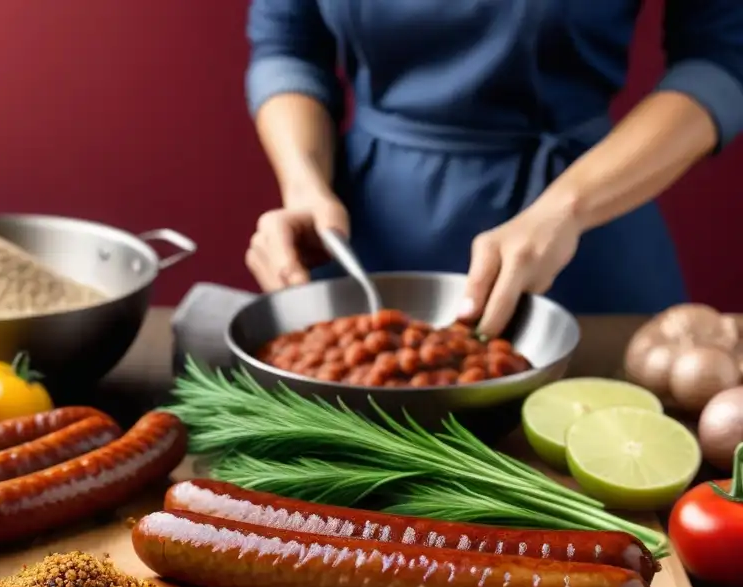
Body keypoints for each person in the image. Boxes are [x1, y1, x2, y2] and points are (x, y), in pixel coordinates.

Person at [243, 1, 743, 337]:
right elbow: (288, 47)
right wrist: (303, 182)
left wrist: (567, 209)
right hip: (361, 236)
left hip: (584, 231)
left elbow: (722, 60)